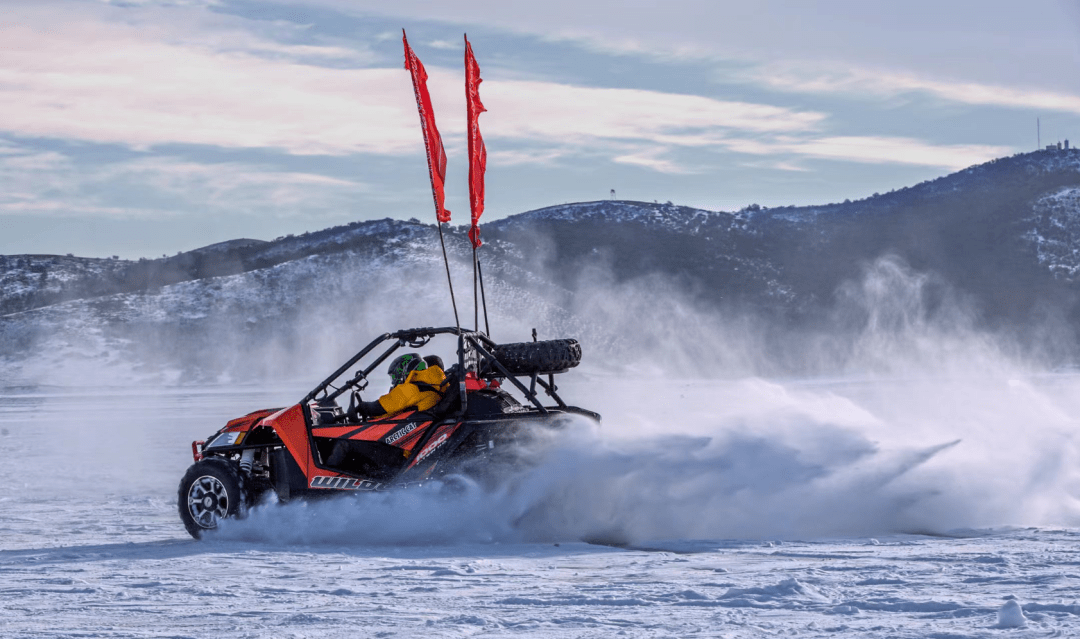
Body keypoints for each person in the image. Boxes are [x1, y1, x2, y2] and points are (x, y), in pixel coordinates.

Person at [352, 352, 447, 420]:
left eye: (395, 376)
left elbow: (380, 407)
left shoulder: (412, 388)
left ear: (404, 371)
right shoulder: (433, 385)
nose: (394, 382)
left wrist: (362, 407)